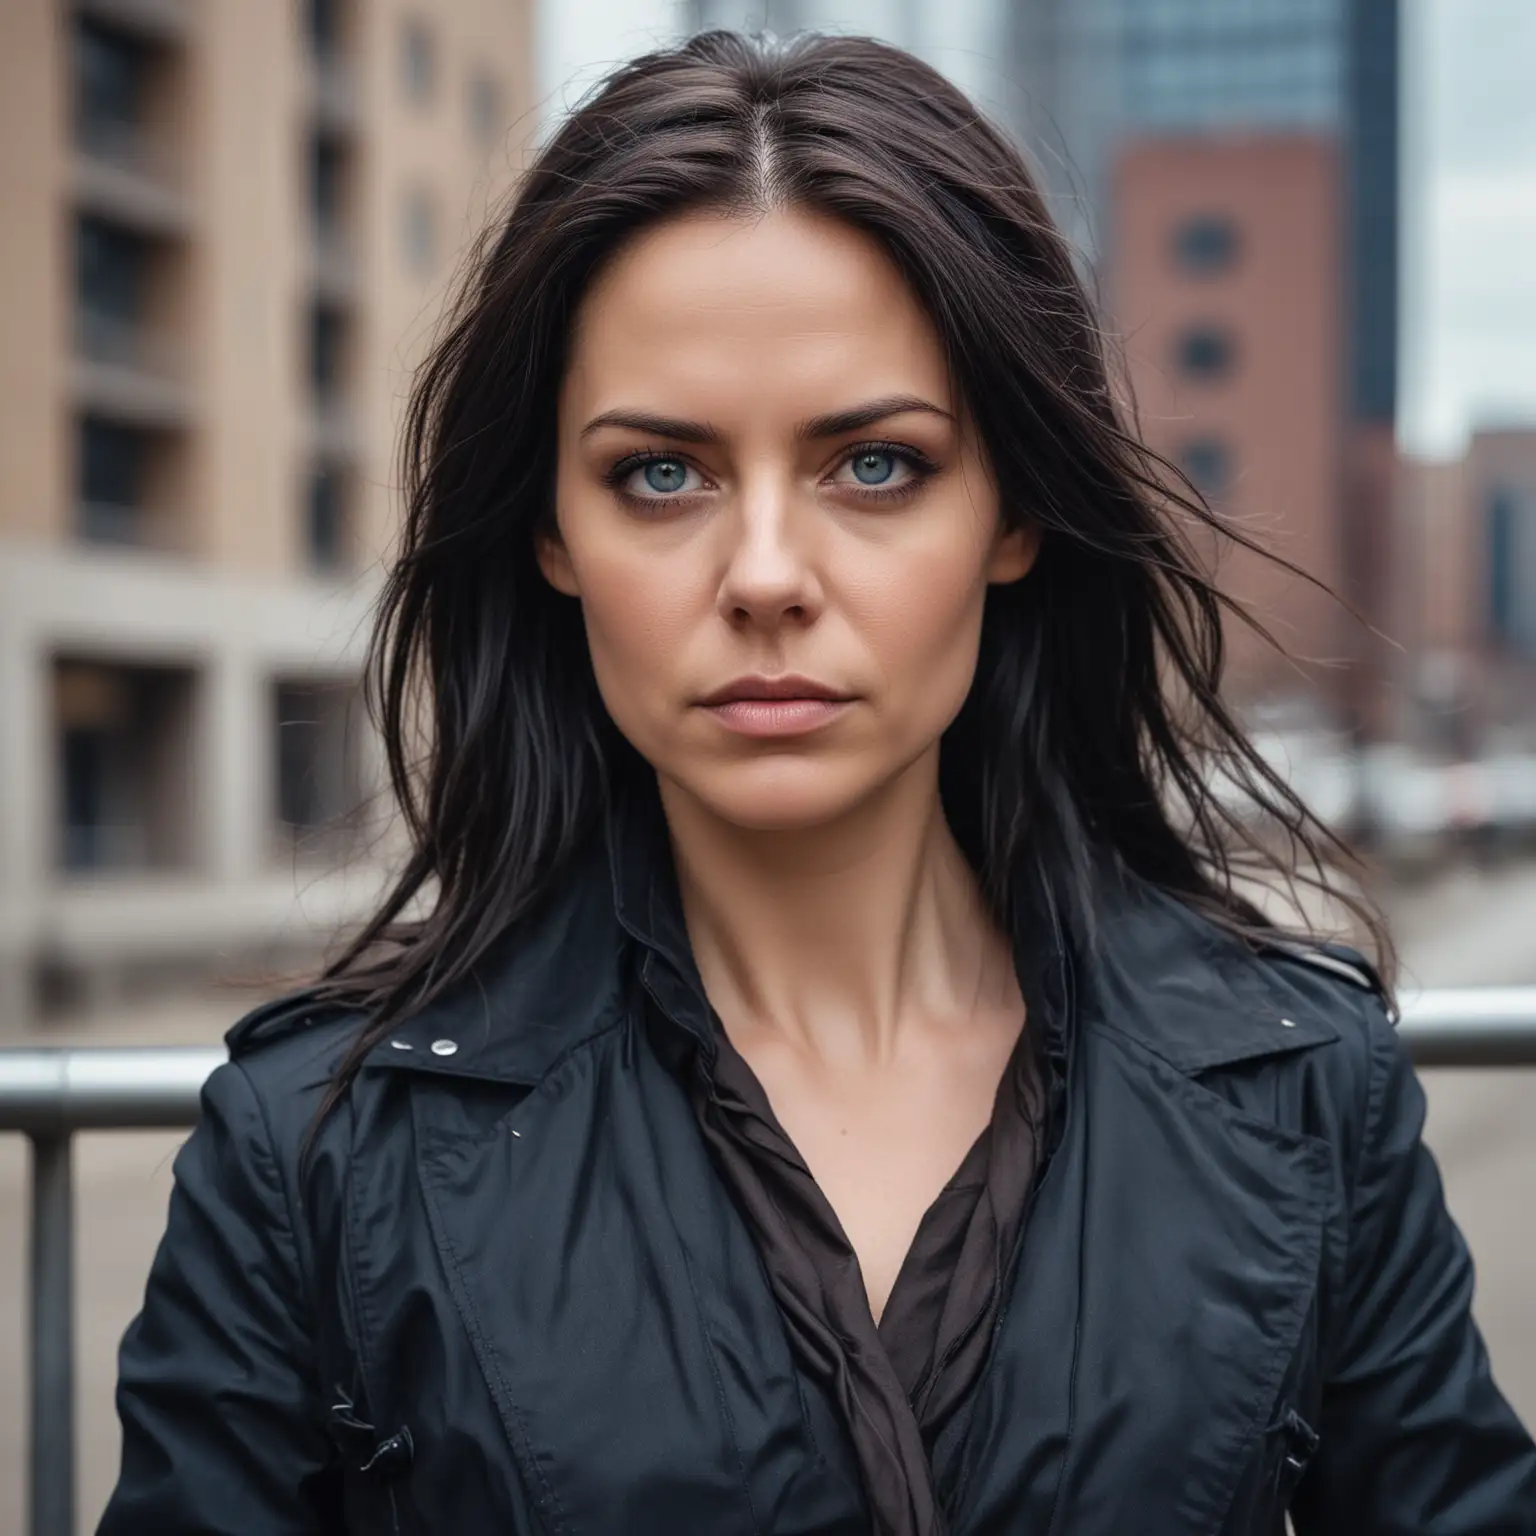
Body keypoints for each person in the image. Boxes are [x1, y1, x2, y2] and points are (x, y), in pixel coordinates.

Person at [99, 30, 1536, 1536]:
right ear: (550, 533)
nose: (767, 576)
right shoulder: (316, 1152)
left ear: (1014, 511)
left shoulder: (1306, 1087)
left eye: (874, 466)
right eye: (662, 472)